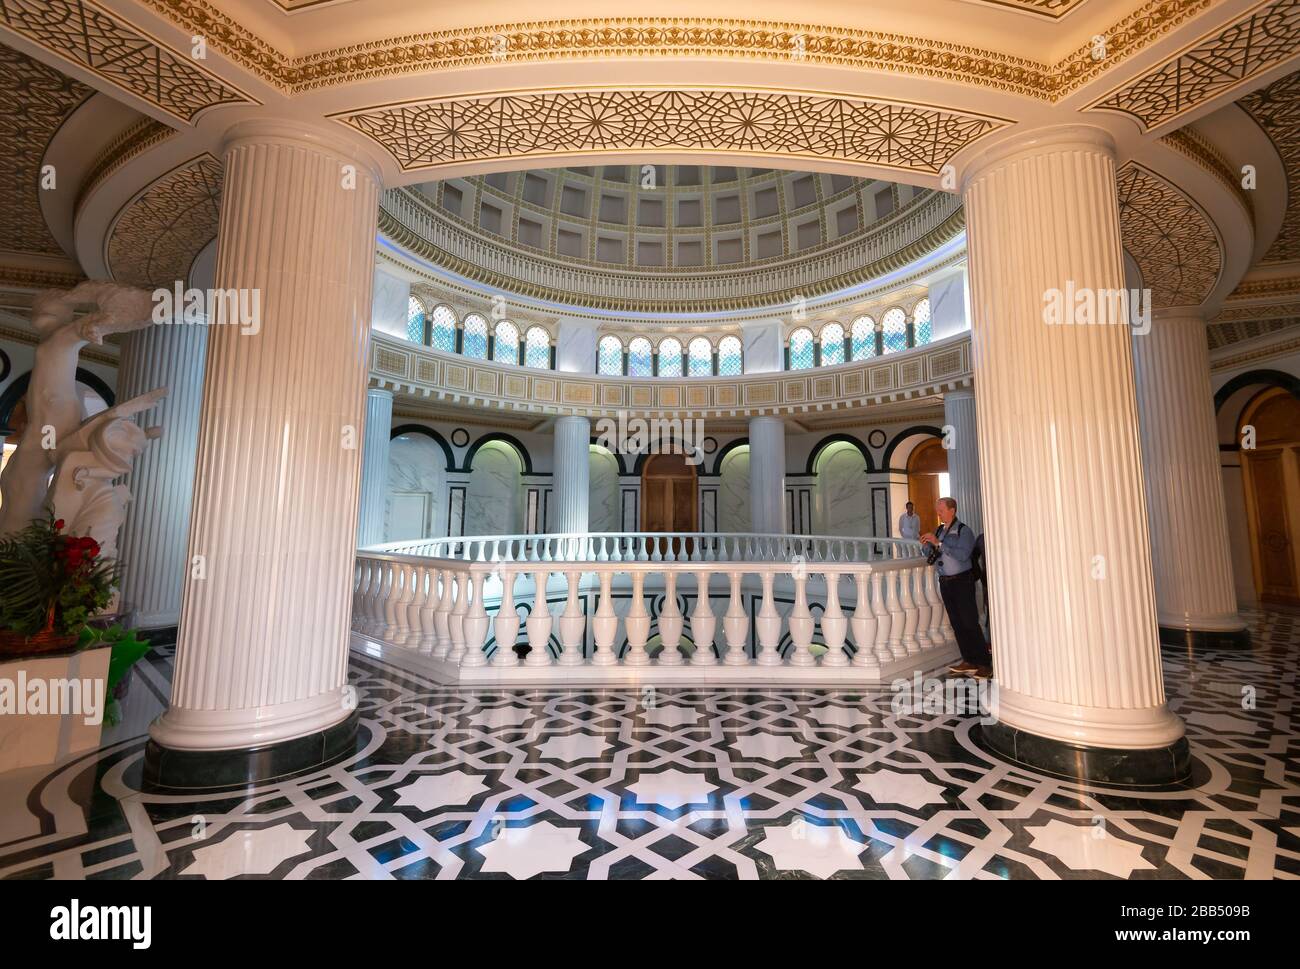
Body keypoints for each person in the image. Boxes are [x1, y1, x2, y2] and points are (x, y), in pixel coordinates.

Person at [919, 497, 992, 678]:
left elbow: (963, 554)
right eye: (938, 510)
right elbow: (934, 553)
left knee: (969, 622)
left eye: (941, 510)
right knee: (957, 623)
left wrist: (940, 544)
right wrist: (927, 546)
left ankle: (984, 663)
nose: (939, 513)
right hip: (946, 582)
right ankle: (968, 659)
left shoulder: (963, 531)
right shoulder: (940, 530)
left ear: (952, 510)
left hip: (962, 581)